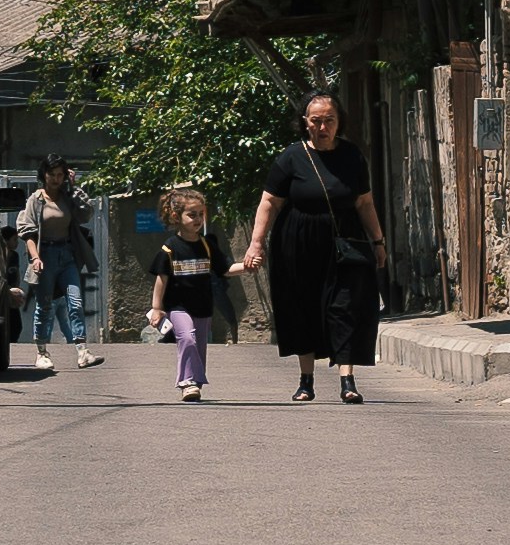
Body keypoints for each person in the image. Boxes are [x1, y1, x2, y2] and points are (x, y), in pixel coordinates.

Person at [246, 87, 380, 402]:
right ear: (305, 122)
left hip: (343, 242)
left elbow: (364, 203)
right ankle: (306, 380)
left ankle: (347, 380)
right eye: (316, 120)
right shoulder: (291, 157)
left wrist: (378, 241)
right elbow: (269, 203)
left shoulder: (351, 156)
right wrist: (256, 243)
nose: (323, 127)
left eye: (329, 120)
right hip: (297, 241)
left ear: (339, 122)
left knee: (345, 306)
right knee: (301, 307)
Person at [146, 186, 228, 401]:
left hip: (203, 307)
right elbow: (161, 279)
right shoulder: (170, 248)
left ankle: (196, 384)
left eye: (201, 214)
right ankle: (187, 382)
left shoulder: (207, 246)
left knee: (199, 347)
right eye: (192, 214)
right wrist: (157, 308)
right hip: (178, 307)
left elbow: (225, 270)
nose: (198, 219)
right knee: (188, 339)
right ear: (176, 216)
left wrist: (248, 266)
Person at [21, 163, 92, 358]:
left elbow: (86, 213)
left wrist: (74, 187)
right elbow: (28, 233)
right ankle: (42, 353)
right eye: (52, 174)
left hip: (67, 255)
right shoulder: (35, 200)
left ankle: (82, 351)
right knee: (45, 305)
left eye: (60, 175)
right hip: (46, 256)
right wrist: (35, 257)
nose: (56, 179)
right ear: (44, 175)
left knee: (75, 302)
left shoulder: (68, 198)